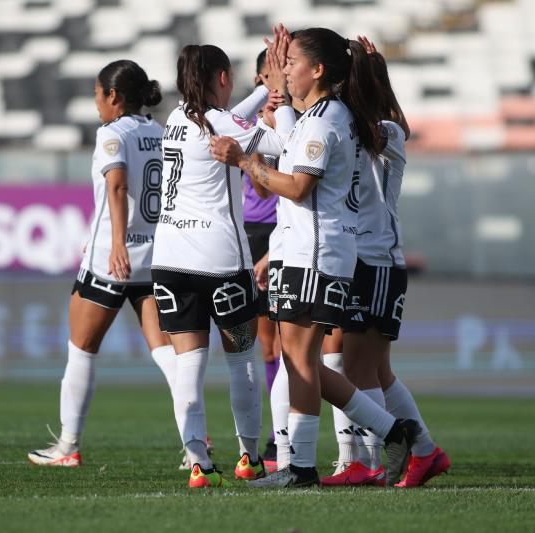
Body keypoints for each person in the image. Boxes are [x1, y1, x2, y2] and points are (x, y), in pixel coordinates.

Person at [211, 27, 420, 488]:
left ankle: (304, 467)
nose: (284, 70)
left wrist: (244, 162)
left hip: (317, 253)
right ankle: (385, 433)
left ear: (319, 70)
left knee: (304, 362)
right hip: (306, 250)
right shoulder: (316, 116)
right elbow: (282, 148)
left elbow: (298, 186)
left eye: (291, 63)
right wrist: (273, 102)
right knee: (298, 361)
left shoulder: (326, 120)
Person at [152, 41, 295, 488]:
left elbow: (229, 118)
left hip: (169, 262)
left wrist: (259, 96)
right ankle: (249, 457)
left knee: (189, 366)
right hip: (220, 262)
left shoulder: (175, 119)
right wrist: (282, 100)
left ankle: (199, 464)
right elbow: (287, 143)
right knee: (243, 361)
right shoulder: (224, 124)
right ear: (221, 79)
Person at [27, 60, 176, 467]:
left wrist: (116, 245)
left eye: (97, 93)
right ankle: (197, 438)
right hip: (154, 252)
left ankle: (67, 446)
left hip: (115, 258)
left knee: (81, 346)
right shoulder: (158, 132)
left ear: (114, 96)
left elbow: (118, 183)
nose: (96, 102)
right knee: (164, 349)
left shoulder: (112, 133)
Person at [321, 36, 451, 487]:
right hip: (369, 260)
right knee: (376, 370)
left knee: (357, 368)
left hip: (373, 262)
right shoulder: (375, 127)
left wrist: (366, 69)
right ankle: (426, 451)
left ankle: (372, 463)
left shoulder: (375, 131)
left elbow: (383, 121)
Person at [241, 48, 283, 469]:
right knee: (263, 347)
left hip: (278, 236)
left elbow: (269, 189)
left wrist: (246, 159)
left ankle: (281, 437)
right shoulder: (247, 124)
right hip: (248, 237)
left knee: (281, 343)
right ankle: (272, 436)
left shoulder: (284, 126)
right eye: (265, 80)